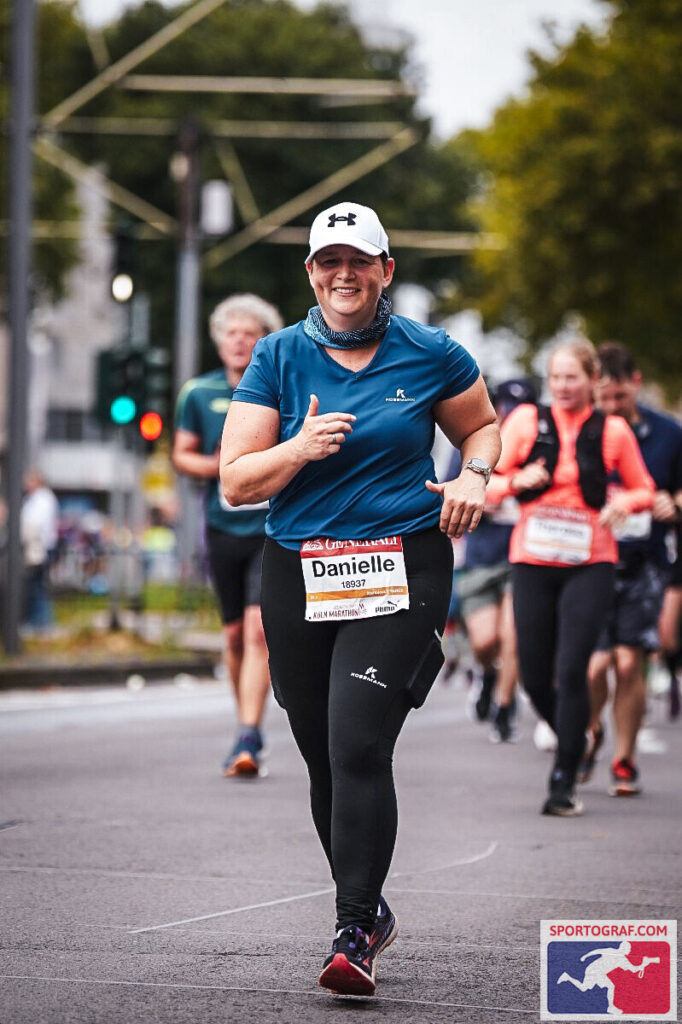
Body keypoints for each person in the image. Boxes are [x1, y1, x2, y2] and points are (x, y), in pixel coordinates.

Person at [221, 201, 500, 996]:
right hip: (300, 568)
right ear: (311, 273)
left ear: (386, 271)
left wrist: (474, 475)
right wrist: (299, 447)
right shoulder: (278, 357)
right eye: (327, 261)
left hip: (400, 565)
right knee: (319, 751)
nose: (344, 273)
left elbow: (481, 427)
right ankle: (370, 907)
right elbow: (237, 481)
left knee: (357, 745)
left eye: (359, 260)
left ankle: (351, 933)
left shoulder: (428, 352)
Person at [489, 340, 654, 817]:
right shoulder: (526, 421)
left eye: (572, 378)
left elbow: (644, 489)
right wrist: (514, 483)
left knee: (572, 667)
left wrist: (624, 502)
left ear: (591, 380)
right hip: (534, 559)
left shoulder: (613, 430)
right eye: (556, 378)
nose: (563, 387)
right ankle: (574, 735)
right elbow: (489, 479)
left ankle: (562, 780)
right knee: (536, 673)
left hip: (590, 561)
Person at [173, 293, 283, 777]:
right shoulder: (198, 393)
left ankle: (249, 734)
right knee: (234, 634)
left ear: (263, 341)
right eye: (231, 333)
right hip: (221, 528)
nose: (239, 341)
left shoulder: (280, 388)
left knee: (259, 630)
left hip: (268, 528)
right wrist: (223, 467)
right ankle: (242, 719)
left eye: (249, 333)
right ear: (219, 342)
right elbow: (181, 454)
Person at [580, 343, 682, 795]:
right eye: (604, 399)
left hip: (645, 563)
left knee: (628, 663)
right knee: (591, 667)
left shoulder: (669, 434)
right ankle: (591, 730)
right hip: (591, 559)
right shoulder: (580, 430)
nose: (612, 408)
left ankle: (624, 758)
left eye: (619, 397)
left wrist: (670, 503)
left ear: (635, 384)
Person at [457, 378, 536, 742]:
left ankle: (505, 710)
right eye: (506, 406)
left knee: (513, 637)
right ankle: (486, 673)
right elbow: (450, 488)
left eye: (521, 408)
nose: (512, 414)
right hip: (482, 556)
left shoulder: (541, 448)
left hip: (523, 556)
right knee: (485, 642)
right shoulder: (474, 441)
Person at [20, 470, 59, 632]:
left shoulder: (42, 499)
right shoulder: (38, 499)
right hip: (39, 546)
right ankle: (39, 621)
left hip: (40, 548)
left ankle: (41, 622)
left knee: (38, 586)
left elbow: (34, 524)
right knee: (36, 585)